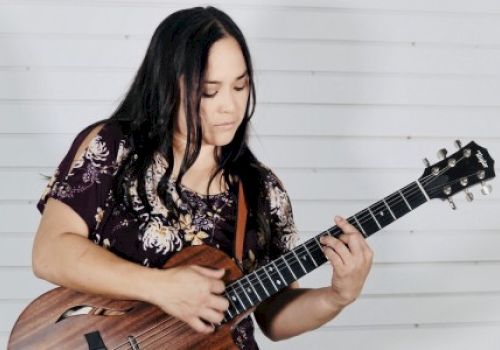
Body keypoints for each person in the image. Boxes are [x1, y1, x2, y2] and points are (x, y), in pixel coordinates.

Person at [32, 6, 373, 349]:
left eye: (240, 87)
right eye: (210, 91)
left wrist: (337, 296)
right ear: (168, 84)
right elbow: (50, 252)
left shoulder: (261, 190)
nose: (230, 106)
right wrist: (160, 287)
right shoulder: (114, 148)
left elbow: (273, 316)